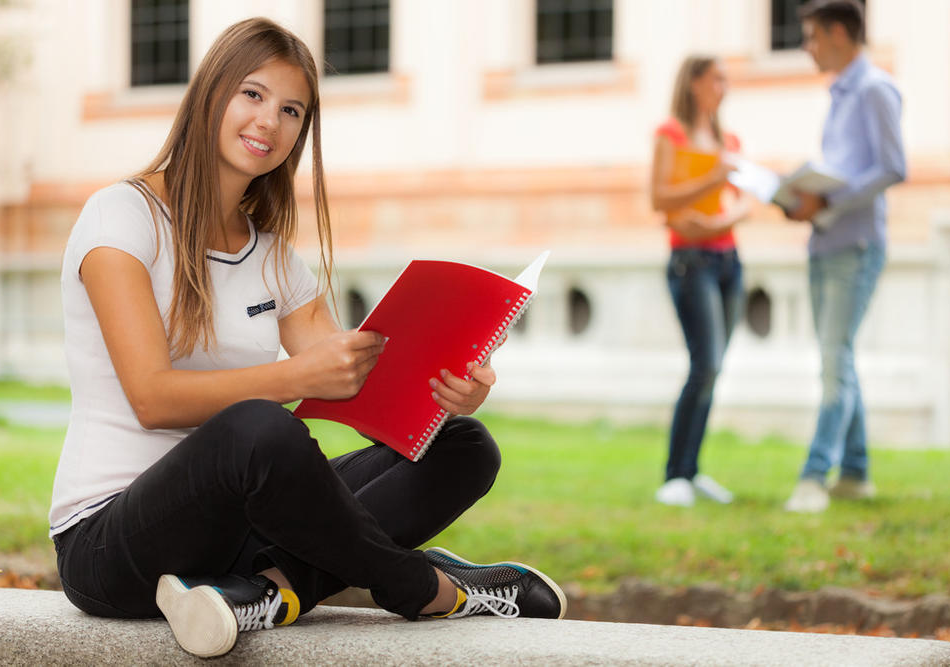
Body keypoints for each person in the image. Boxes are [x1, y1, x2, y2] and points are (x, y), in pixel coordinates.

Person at [49, 17, 566, 658]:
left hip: (235, 540)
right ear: (211, 92)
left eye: (292, 109)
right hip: (110, 542)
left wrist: (449, 385)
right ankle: (428, 586)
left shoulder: (275, 260)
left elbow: (357, 387)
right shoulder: (120, 217)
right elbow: (152, 398)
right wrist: (294, 380)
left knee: (462, 446)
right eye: (253, 94)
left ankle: (271, 591)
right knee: (261, 430)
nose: (270, 121)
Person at [783, 0, 906, 513]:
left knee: (835, 362)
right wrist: (803, 201)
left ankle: (815, 476)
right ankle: (855, 473)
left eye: (813, 37)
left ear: (837, 33)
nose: (808, 48)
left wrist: (828, 199)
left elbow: (893, 167)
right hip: (825, 242)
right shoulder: (838, 94)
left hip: (855, 247)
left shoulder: (875, 88)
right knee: (840, 360)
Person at [650, 55, 751, 507]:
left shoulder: (730, 139)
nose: (725, 86)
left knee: (714, 370)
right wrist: (712, 178)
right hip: (690, 262)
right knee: (704, 365)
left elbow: (744, 201)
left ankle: (692, 471)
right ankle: (675, 475)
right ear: (693, 82)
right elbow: (660, 197)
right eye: (717, 78)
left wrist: (720, 219)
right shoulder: (671, 134)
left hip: (729, 260)